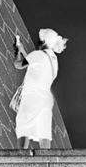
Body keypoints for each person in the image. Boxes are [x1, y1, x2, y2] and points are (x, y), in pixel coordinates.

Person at [13, 27, 67, 155]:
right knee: (44, 132)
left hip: (32, 97)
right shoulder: (54, 60)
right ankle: (45, 160)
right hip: (46, 99)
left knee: (23, 127)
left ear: (43, 42)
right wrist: (24, 51)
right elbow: (36, 65)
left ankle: (21, 158)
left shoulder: (37, 54)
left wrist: (17, 51)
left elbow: (18, 64)